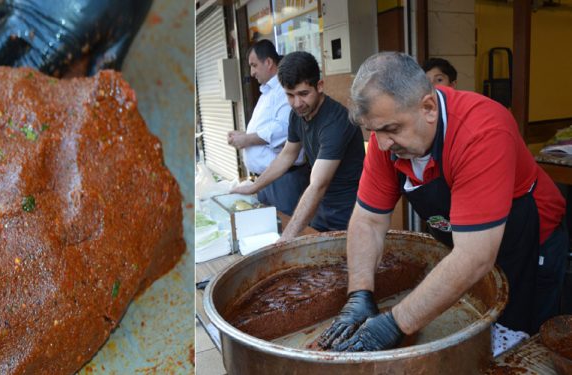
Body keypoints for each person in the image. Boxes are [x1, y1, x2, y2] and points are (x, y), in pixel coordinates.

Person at [318, 52, 568, 353]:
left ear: (428, 108)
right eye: (373, 131)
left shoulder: (482, 131)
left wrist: (393, 325)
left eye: (391, 130)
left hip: (528, 242)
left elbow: (474, 257)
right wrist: (359, 294)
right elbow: (368, 220)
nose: (382, 144)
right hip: (469, 244)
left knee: (523, 349)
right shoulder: (387, 140)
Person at [231, 51, 365, 241]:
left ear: (319, 86)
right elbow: (287, 155)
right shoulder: (297, 115)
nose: (297, 103)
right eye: (290, 95)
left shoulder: (336, 121)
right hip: (320, 209)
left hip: (348, 213)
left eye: (303, 94)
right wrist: (253, 187)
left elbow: (318, 184)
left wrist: (285, 239)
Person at [227, 40, 308, 216]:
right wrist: (244, 135)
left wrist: (247, 139)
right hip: (267, 180)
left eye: (254, 65)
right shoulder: (267, 91)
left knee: (286, 225)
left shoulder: (284, 89)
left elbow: (284, 130)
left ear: (269, 62)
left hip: (284, 180)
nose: (252, 72)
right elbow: (268, 127)